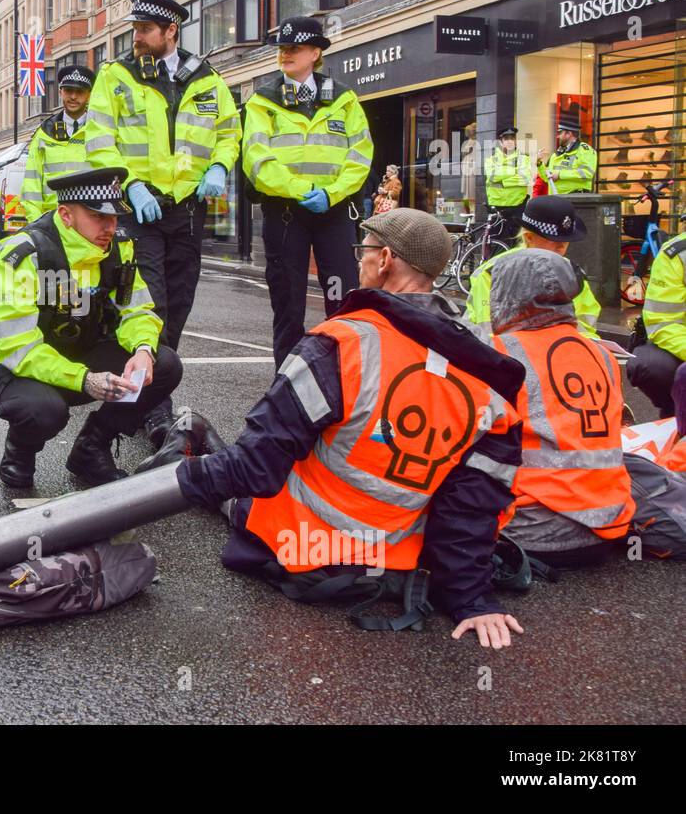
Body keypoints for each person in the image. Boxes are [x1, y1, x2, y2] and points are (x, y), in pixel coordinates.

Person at [175, 208, 528, 648]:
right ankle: (190, 439)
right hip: (394, 562)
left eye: (361, 252)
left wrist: (179, 480)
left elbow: (254, 468)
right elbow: (470, 508)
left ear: (384, 260)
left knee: (233, 482)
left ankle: (179, 444)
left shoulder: (341, 344)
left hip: (301, 548)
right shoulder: (490, 374)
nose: (356, 261)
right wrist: (471, 601)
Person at [83, 0, 240, 446]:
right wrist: (129, 183)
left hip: (187, 213)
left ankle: (144, 388)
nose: (138, 37)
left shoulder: (205, 77)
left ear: (171, 30)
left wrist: (219, 165)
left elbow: (229, 131)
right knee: (150, 305)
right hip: (137, 211)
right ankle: (155, 410)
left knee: (179, 306)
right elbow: (99, 140)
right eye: (135, 29)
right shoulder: (116, 76)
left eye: (146, 30)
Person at [0, 168, 183, 488]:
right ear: (65, 214)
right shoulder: (20, 255)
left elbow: (138, 309)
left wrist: (143, 349)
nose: (111, 227)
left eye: (115, 217)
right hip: (13, 364)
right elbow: (18, 348)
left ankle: (91, 446)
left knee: (164, 363)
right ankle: (21, 448)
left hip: (75, 352)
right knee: (42, 410)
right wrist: (84, 380)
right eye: (99, 217)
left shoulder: (116, 248)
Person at [488, 249, 634, 568]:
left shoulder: (501, 354)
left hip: (532, 532)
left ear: (508, 293)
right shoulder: (603, 356)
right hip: (607, 527)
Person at [242, 16, 374, 368]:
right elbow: (257, 161)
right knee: (288, 304)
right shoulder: (262, 101)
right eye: (282, 49)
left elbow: (360, 157)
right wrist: (303, 190)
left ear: (315, 52)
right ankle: (287, 383)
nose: (285, 54)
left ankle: (344, 376)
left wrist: (331, 194)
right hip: (286, 215)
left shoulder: (344, 99)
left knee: (342, 298)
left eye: (294, 48)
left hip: (333, 213)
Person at [464, 195, 602, 340]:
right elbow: (490, 337)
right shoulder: (492, 273)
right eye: (554, 241)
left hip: (559, 353)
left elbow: (586, 328)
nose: (562, 247)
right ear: (529, 237)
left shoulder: (571, 274)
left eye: (566, 241)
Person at [19, 64, 95, 223]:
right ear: (61, 92)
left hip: (90, 222)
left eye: (80, 91)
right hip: (53, 223)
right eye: (68, 90)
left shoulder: (100, 130)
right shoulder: (44, 133)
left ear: (89, 95)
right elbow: (31, 186)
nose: (73, 97)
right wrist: (38, 226)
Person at [627, 227, 686, 418]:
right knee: (650, 365)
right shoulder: (677, 254)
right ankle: (675, 413)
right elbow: (664, 321)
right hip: (682, 345)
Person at [482, 124, 531, 240]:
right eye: (506, 139)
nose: (510, 141)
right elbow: (493, 176)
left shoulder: (524, 158)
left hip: (517, 207)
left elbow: (526, 179)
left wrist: (503, 181)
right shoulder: (491, 159)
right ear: (501, 142)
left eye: (512, 138)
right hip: (496, 207)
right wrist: (515, 171)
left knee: (517, 243)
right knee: (495, 243)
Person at [535, 110, 596, 195]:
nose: (558, 136)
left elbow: (586, 173)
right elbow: (547, 178)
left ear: (568, 134)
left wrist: (560, 175)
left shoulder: (585, 150)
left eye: (560, 133)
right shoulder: (556, 154)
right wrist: (539, 164)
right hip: (556, 200)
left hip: (576, 199)